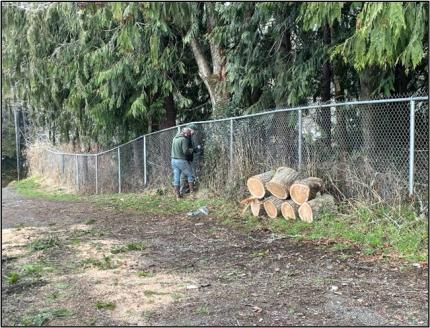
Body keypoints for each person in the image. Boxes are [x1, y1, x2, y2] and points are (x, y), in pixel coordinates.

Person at [171, 126, 196, 200]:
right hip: (181, 160)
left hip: (173, 160)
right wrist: (193, 150)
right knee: (190, 175)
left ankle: (178, 196)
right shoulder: (183, 139)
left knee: (176, 178)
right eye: (188, 134)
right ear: (185, 133)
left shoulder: (175, 138)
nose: (189, 135)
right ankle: (192, 194)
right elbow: (185, 151)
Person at [180, 123, 203, 194]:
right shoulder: (185, 138)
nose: (194, 133)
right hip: (184, 159)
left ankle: (186, 189)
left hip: (187, 158)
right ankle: (183, 190)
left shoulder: (189, 136)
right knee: (184, 175)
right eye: (194, 131)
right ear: (190, 130)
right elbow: (186, 150)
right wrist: (195, 149)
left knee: (185, 174)